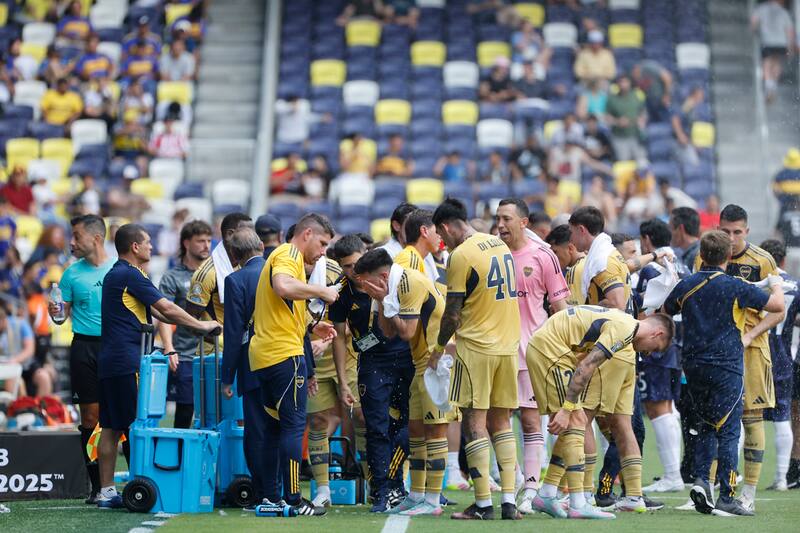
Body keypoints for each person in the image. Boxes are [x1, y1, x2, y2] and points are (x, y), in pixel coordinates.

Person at [95, 224, 219, 508]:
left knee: (112, 427)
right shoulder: (130, 274)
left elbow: (158, 311)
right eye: (148, 242)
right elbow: (166, 307)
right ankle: (140, 488)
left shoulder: (119, 274)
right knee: (134, 425)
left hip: (113, 360)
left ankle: (107, 491)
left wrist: (192, 325)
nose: (152, 246)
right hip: (126, 361)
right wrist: (201, 326)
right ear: (135, 247)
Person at [664, 230, 784, 517]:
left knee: (706, 424)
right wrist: (776, 283)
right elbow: (777, 306)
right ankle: (727, 496)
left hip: (693, 365)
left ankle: (701, 481)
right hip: (726, 365)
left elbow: (665, 309)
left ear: (702, 255)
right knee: (729, 431)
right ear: (729, 255)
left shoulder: (687, 284)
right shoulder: (734, 286)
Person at [527, 306, 673, 519]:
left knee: (579, 419)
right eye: (655, 348)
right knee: (577, 419)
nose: (648, 353)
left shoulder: (625, 325)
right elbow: (587, 365)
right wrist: (567, 409)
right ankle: (579, 502)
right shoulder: (624, 328)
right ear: (657, 334)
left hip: (553, 347)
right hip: (550, 349)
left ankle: (550, 494)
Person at [429, 198, 522, 520]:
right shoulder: (498, 244)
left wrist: (438, 347)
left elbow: (452, 313)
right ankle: (508, 501)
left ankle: (483, 504)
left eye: (442, 235)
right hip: (508, 346)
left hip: (478, 347)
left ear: (445, 227)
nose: (443, 242)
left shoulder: (461, 255)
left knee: (474, 423)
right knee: (502, 422)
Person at [692, 204, 783, 512]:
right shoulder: (706, 256)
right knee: (712, 418)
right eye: (725, 231)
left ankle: (749, 493)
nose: (730, 238)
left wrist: (749, 336)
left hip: (751, 349)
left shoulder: (762, 260)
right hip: (715, 351)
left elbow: (778, 311)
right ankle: (708, 488)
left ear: (747, 231)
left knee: (751, 418)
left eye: (737, 232)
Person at [248, 213, 339, 515]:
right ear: (307, 233)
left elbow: (284, 306)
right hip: (284, 355)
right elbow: (283, 287)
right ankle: (294, 500)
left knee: (274, 429)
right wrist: (322, 291)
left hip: (264, 355)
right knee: (292, 427)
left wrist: (312, 326)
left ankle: (271, 497)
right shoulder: (288, 253)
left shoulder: (286, 258)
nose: (323, 252)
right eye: (322, 243)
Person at [356, 247, 454, 516]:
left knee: (435, 431)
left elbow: (407, 332)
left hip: (437, 362)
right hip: (420, 362)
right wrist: (381, 301)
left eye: (366, 283)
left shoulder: (408, 282)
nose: (364, 289)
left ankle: (433, 500)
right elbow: (389, 332)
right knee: (416, 429)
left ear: (382, 276)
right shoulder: (392, 287)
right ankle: (417, 495)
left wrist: (383, 299)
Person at [568, 206, 651, 512]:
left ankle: (584, 494)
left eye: (572, 231)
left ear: (581, 230)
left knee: (581, 418)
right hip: (624, 347)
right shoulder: (608, 254)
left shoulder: (601, 259)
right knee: (621, 424)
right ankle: (634, 496)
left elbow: (616, 301)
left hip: (609, 348)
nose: (571, 238)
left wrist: (585, 310)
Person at [329, 235, 414, 512]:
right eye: (345, 267)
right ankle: (380, 491)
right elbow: (338, 337)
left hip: (404, 357)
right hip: (371, 362)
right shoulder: (341, 291)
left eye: (355, 265)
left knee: (407, 426)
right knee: (376, 428)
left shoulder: (396, 279)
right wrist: (343, 382)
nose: (352, 272)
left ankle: (396, 483)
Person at [495, 199, 570, 513]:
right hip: (497, 350)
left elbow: (560, 309)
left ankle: (530, 488)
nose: (500, 225)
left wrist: (563, 351)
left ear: (523, 222)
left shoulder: (543, 256)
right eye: (498, 219)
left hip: (531, 352)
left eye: (506, 219)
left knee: (530, 422)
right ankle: (510, 481)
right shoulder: (491, 254)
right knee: (496, 421)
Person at [46, 215, 113, 503]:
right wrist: (55, 313)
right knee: (90, 417)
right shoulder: (71, 274)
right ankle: (97, 487)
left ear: (96, 238)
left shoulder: (119, 269)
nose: (71, 242)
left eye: (76, 236)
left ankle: (134, 482)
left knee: (124, 417)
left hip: (116, 348)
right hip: (84, 348)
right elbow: (61, 317)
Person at [631, 219, 685, 493]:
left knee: (658, 407)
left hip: (656, 341)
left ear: (646, 239)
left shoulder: (652, 268)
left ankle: (672, 475)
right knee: (666, 407)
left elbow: (646, 308)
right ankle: (673, 473)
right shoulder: (679, 263)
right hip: (673, 341)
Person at [220, 227, 270, 507]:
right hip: (289, 361)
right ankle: (286, 490)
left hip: (253, 364)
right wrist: (308, 369)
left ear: (234, 255)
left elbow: (233, 332)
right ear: (261, 245)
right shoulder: (281, 272)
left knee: (257, 430)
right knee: (287, 427)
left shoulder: (235, 280)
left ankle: (263, 491)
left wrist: (227, 376)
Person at [157, 220, 212, 429]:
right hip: (186, 354)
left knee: (215, 413)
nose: (206, 245)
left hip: (214, 352)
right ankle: (180, 450)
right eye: (201, 241)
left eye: (209, 240)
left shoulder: (217, 274)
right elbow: (163, 314)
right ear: (186, 243)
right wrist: (169, 347)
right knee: (185, 412)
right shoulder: (173, 277)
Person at [760, 239, 800, 491]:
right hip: (783, 357)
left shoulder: (755, 282)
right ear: (783, 259)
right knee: (782, 416)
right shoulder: (795, 285)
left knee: (744, 416)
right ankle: (781, 478)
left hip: (756, 354)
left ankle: (733, 474)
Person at [185, 213, 253, 359]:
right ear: (230, 234)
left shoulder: (246, 265)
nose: (253, 237)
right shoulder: (207, 274)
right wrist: (222, 339)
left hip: (242, 349)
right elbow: (190, 321)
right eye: (248, 232)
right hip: (214, 355)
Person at [751, 0, 796, 102]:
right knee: (777, 63)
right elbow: (789, 30)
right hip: (781, 42)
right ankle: (773, 84)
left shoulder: (761, 9)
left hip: (767, 41)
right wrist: (790, 46)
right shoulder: (783, 11)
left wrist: (755, 31)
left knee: (767, 62)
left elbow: (754, 22)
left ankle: (768, 84)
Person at [605, 74, 646, 162]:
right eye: (621, 82)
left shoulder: (636, 95)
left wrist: (641, 120)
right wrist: (617, 121)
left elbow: (643, 112)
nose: (623, 84)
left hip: (635, 135)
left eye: (625, 82)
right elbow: (607, 117)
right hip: (619, 137)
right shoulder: (612, 99)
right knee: (624, 162)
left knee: (642, 161)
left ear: (630, 83)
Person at [546, 224, 586, 306]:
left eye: (555, 252)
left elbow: (573, 309)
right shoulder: (588, 262)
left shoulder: (575, 270)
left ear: (570, 248)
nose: (552, 258)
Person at [670, 207, 701, 273]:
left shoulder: (697, 256)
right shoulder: (698, 251)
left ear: (680, 228)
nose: (669, 233)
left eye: (670, 227)